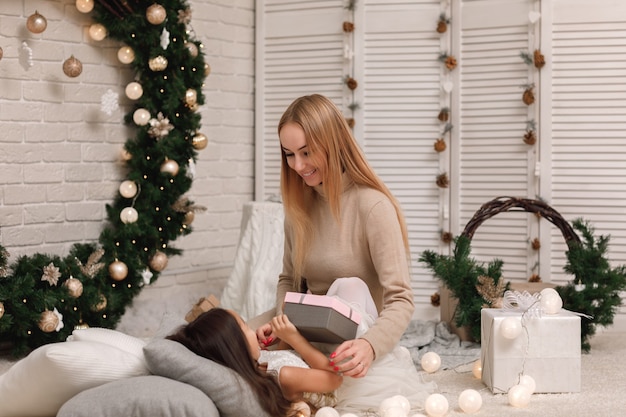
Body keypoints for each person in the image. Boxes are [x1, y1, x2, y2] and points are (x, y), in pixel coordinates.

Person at [257, 93, 416, 378]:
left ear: (332, 143)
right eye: (289, 154)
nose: (297, 166)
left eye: (306, 152)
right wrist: (281, 322)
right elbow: (288, 280)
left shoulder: (373, 207)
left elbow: (401, 299)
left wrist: (370, 346)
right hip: (303, 329)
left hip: (350, 341)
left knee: (349, 287)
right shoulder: (299, 206)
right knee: (229, 335)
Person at [167, 307, 342, 417]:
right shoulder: (285, 376)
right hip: (327, 385)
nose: (253, 330)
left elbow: (282, 359)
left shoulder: (260, 367)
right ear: (238, 346)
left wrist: (283, 334)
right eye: (246, 327)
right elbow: (335, 378)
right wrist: (295, 339)